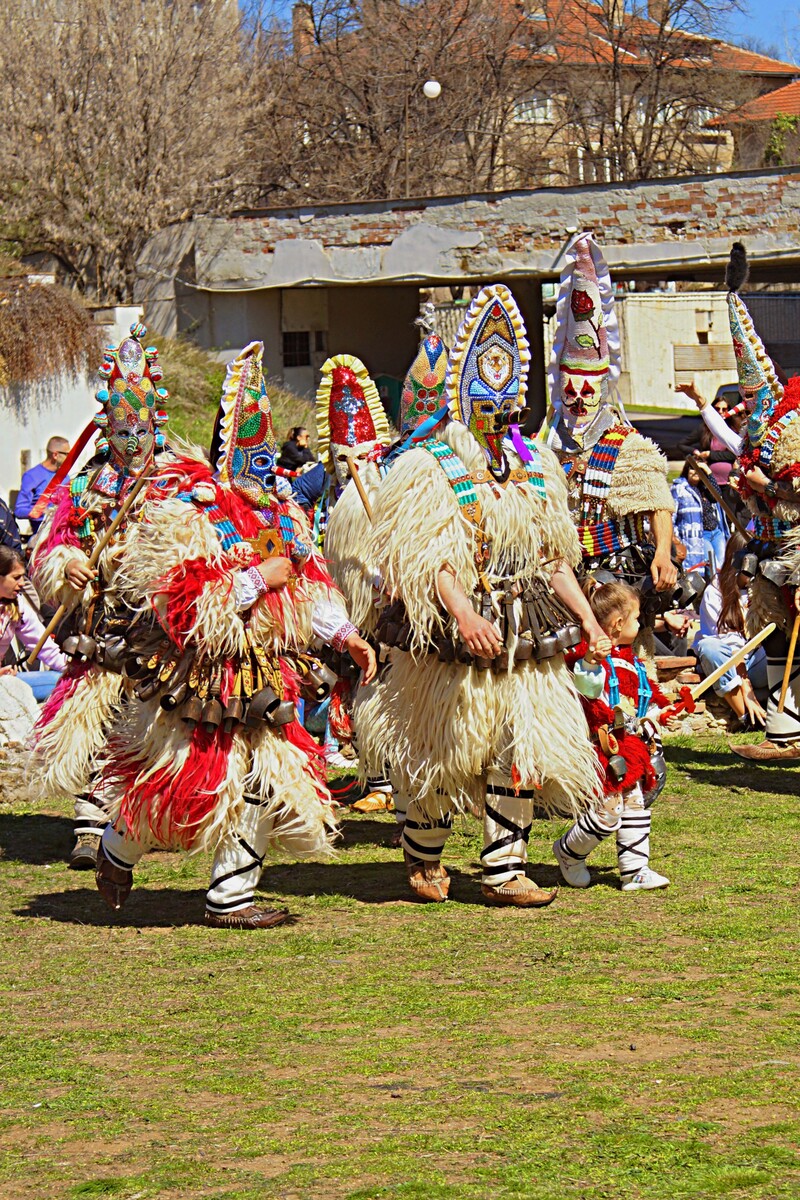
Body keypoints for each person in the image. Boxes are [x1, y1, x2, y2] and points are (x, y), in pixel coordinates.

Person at [93, 342, 376, 929]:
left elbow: (308, 589)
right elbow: (178, 603)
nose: (259, 464)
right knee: (181, 781)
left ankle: (231, 897)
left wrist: (345, 634)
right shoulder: (191, 512)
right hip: (201, 676)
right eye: (248, 448)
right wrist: (254, 580)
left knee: (266, 780)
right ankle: (117, 848)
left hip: (266, 675)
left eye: (264, 451)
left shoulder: (283, 515)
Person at [356, 284, 603, 907]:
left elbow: (553, 557)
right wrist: (463, 611)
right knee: (442, 750)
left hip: (525, 631)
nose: (499, 412)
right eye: (486, 400)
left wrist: (589, 621)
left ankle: (503, 871)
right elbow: (427, 559)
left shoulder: (533, 463)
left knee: (522, 745)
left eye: (508, 400)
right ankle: (423, 855)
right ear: (464, 398)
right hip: (451, 637)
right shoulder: (432, 465)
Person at [30, 324, 174, 869]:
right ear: (106, 429)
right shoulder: (87, 485)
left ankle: (139, 820)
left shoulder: (177, 483)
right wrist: (68, 566)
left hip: (160, 628)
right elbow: (56, 543)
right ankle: (90, 826)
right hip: (101, 627)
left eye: (141, 429)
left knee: (153, 726)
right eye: (122, 430)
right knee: (98, 724)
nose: (132, 440)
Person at [541, 234, 677, 609]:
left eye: (587, 391)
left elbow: (657, 503)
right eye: (570, 391)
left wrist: (662, 553)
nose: (578, 400)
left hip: (617, 575)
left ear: (601, 390)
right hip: (560, 575)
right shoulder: (543, 442)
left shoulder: (628, 444)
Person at [554, 580, 675, 892]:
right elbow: (588, 691)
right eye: (636, 617)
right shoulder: (588, 658)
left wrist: (663, 713)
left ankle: (635, 871)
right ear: (619, 624)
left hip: (630, 748)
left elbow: (645, 701)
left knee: (635, 805)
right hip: (601, 748)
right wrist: (591, 662)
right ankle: (569, 851)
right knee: (608, 812)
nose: (640, 623)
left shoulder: (632, 662)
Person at [694, 532, 767, 728]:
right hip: (728, 664)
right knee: (709, 647)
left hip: (758, 663)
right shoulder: (715, 591)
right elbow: (731, 645)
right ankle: (747, 718)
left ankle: (779, 710)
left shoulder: (763, 587)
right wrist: (746, 687)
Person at [0, 546, 65, 743]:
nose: (22, 583)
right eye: (16, 577)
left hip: (5, 679)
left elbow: (44, 645)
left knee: (62, 682)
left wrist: (74, 669)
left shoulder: (17, 605)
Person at [670, 457, 727, 574]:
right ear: (686, 470)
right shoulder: (679, 488)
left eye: (700, 469)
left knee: (723, 566)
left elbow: (716, 497)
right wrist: (675, 538)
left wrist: (709, 472)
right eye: (692, 468)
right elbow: (671, 516)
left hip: (716, 532)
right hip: (700, 536)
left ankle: (719, 587)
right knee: (712, 567)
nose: (696, 471)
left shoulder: (705, 488)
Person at [15, 436, 70, 531]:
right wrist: (43, 511)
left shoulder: (65, 476)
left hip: (63, 529)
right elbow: (19, 511)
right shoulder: (31, 476)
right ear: (55, 455)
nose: (70, 457)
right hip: (42, 531)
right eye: (67, 454)